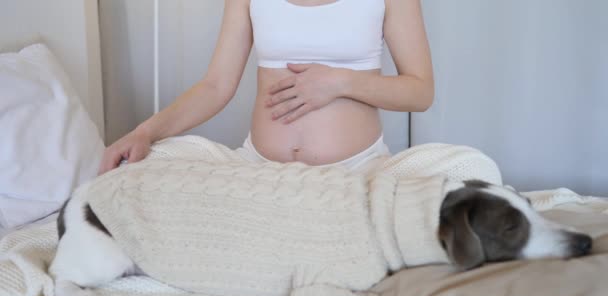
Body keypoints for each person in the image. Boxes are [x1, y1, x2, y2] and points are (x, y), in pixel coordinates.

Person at [98, 0, 435, 176]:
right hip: (259, 169)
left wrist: (339, 82)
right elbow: (216, 86)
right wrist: (144, 132)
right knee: (148, 169)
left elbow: (420, 92)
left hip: (357, 170)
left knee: (466, 169)